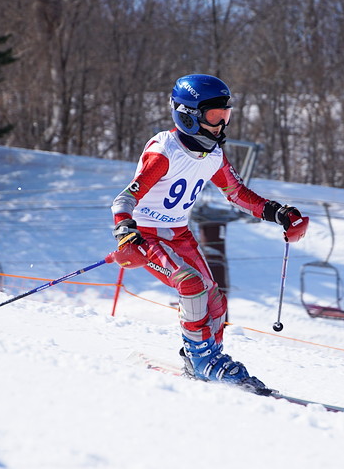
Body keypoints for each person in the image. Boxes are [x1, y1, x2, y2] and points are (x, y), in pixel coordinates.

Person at [110, 74, 308, 392]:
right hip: (146, 235)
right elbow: (125, 198)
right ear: (188, 115)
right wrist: (125, 231)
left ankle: (202, 358)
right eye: (214, 116)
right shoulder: (165, 151)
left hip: (178, 234)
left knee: (215, 300)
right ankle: (203, 360)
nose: (220, 125)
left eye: (225, 116)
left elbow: (236, 193)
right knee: (190, 285)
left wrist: (278, 213)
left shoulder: (212, 154)